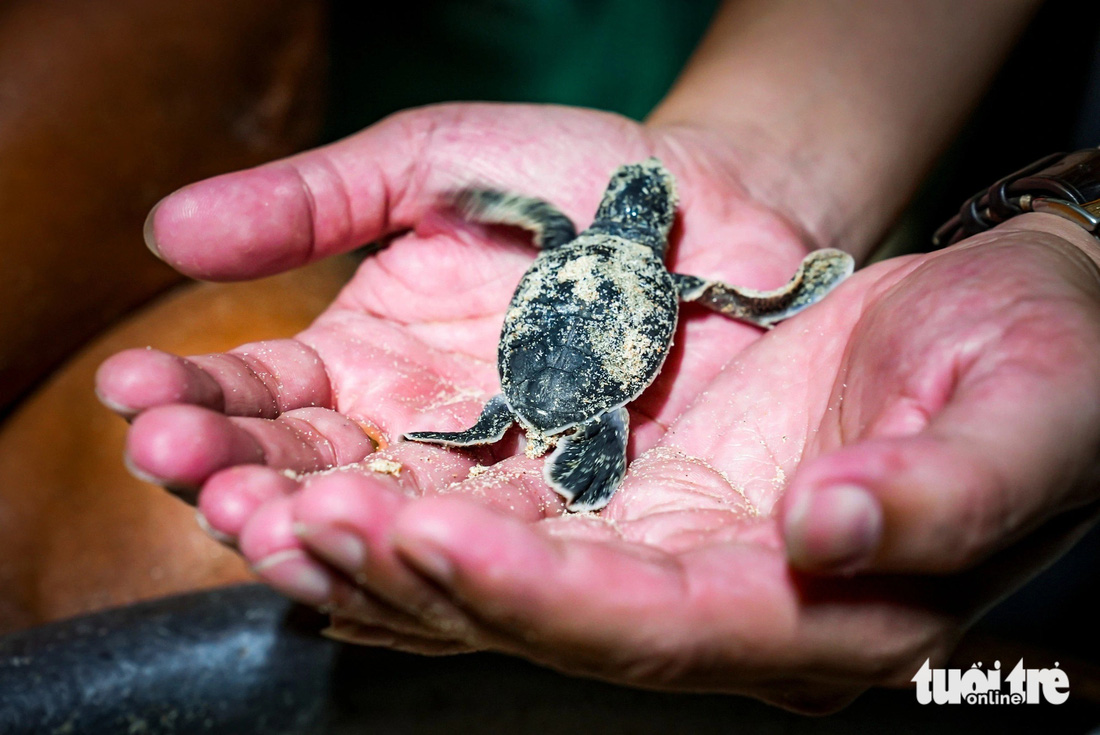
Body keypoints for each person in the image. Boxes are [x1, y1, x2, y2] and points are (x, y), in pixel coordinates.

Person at [93, 0, 1100, 712]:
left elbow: (535, 219)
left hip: (534, 354)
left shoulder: (565, 242)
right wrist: (798, 274)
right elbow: (737, 299)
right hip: (606, 358)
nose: (650, 205)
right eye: (649, 201)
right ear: (645, 227)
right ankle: (539, 440)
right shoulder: (669, 278)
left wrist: (1069, 238)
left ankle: (502, 425)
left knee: (1012, 627)